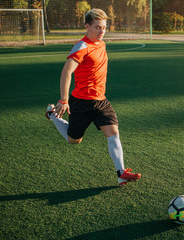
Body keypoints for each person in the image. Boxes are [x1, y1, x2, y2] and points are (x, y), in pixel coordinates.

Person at [46, 8, 141, 186]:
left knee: (113, 132)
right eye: (97, 27)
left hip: (101, 101)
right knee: (74, 140)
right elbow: (66, 72)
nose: (101, 31)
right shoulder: (82, 47)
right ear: (87, 26)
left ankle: (121, 173)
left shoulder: (101, 44)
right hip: (81, 102)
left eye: (104, 27)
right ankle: (53, 115)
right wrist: (64, 99)